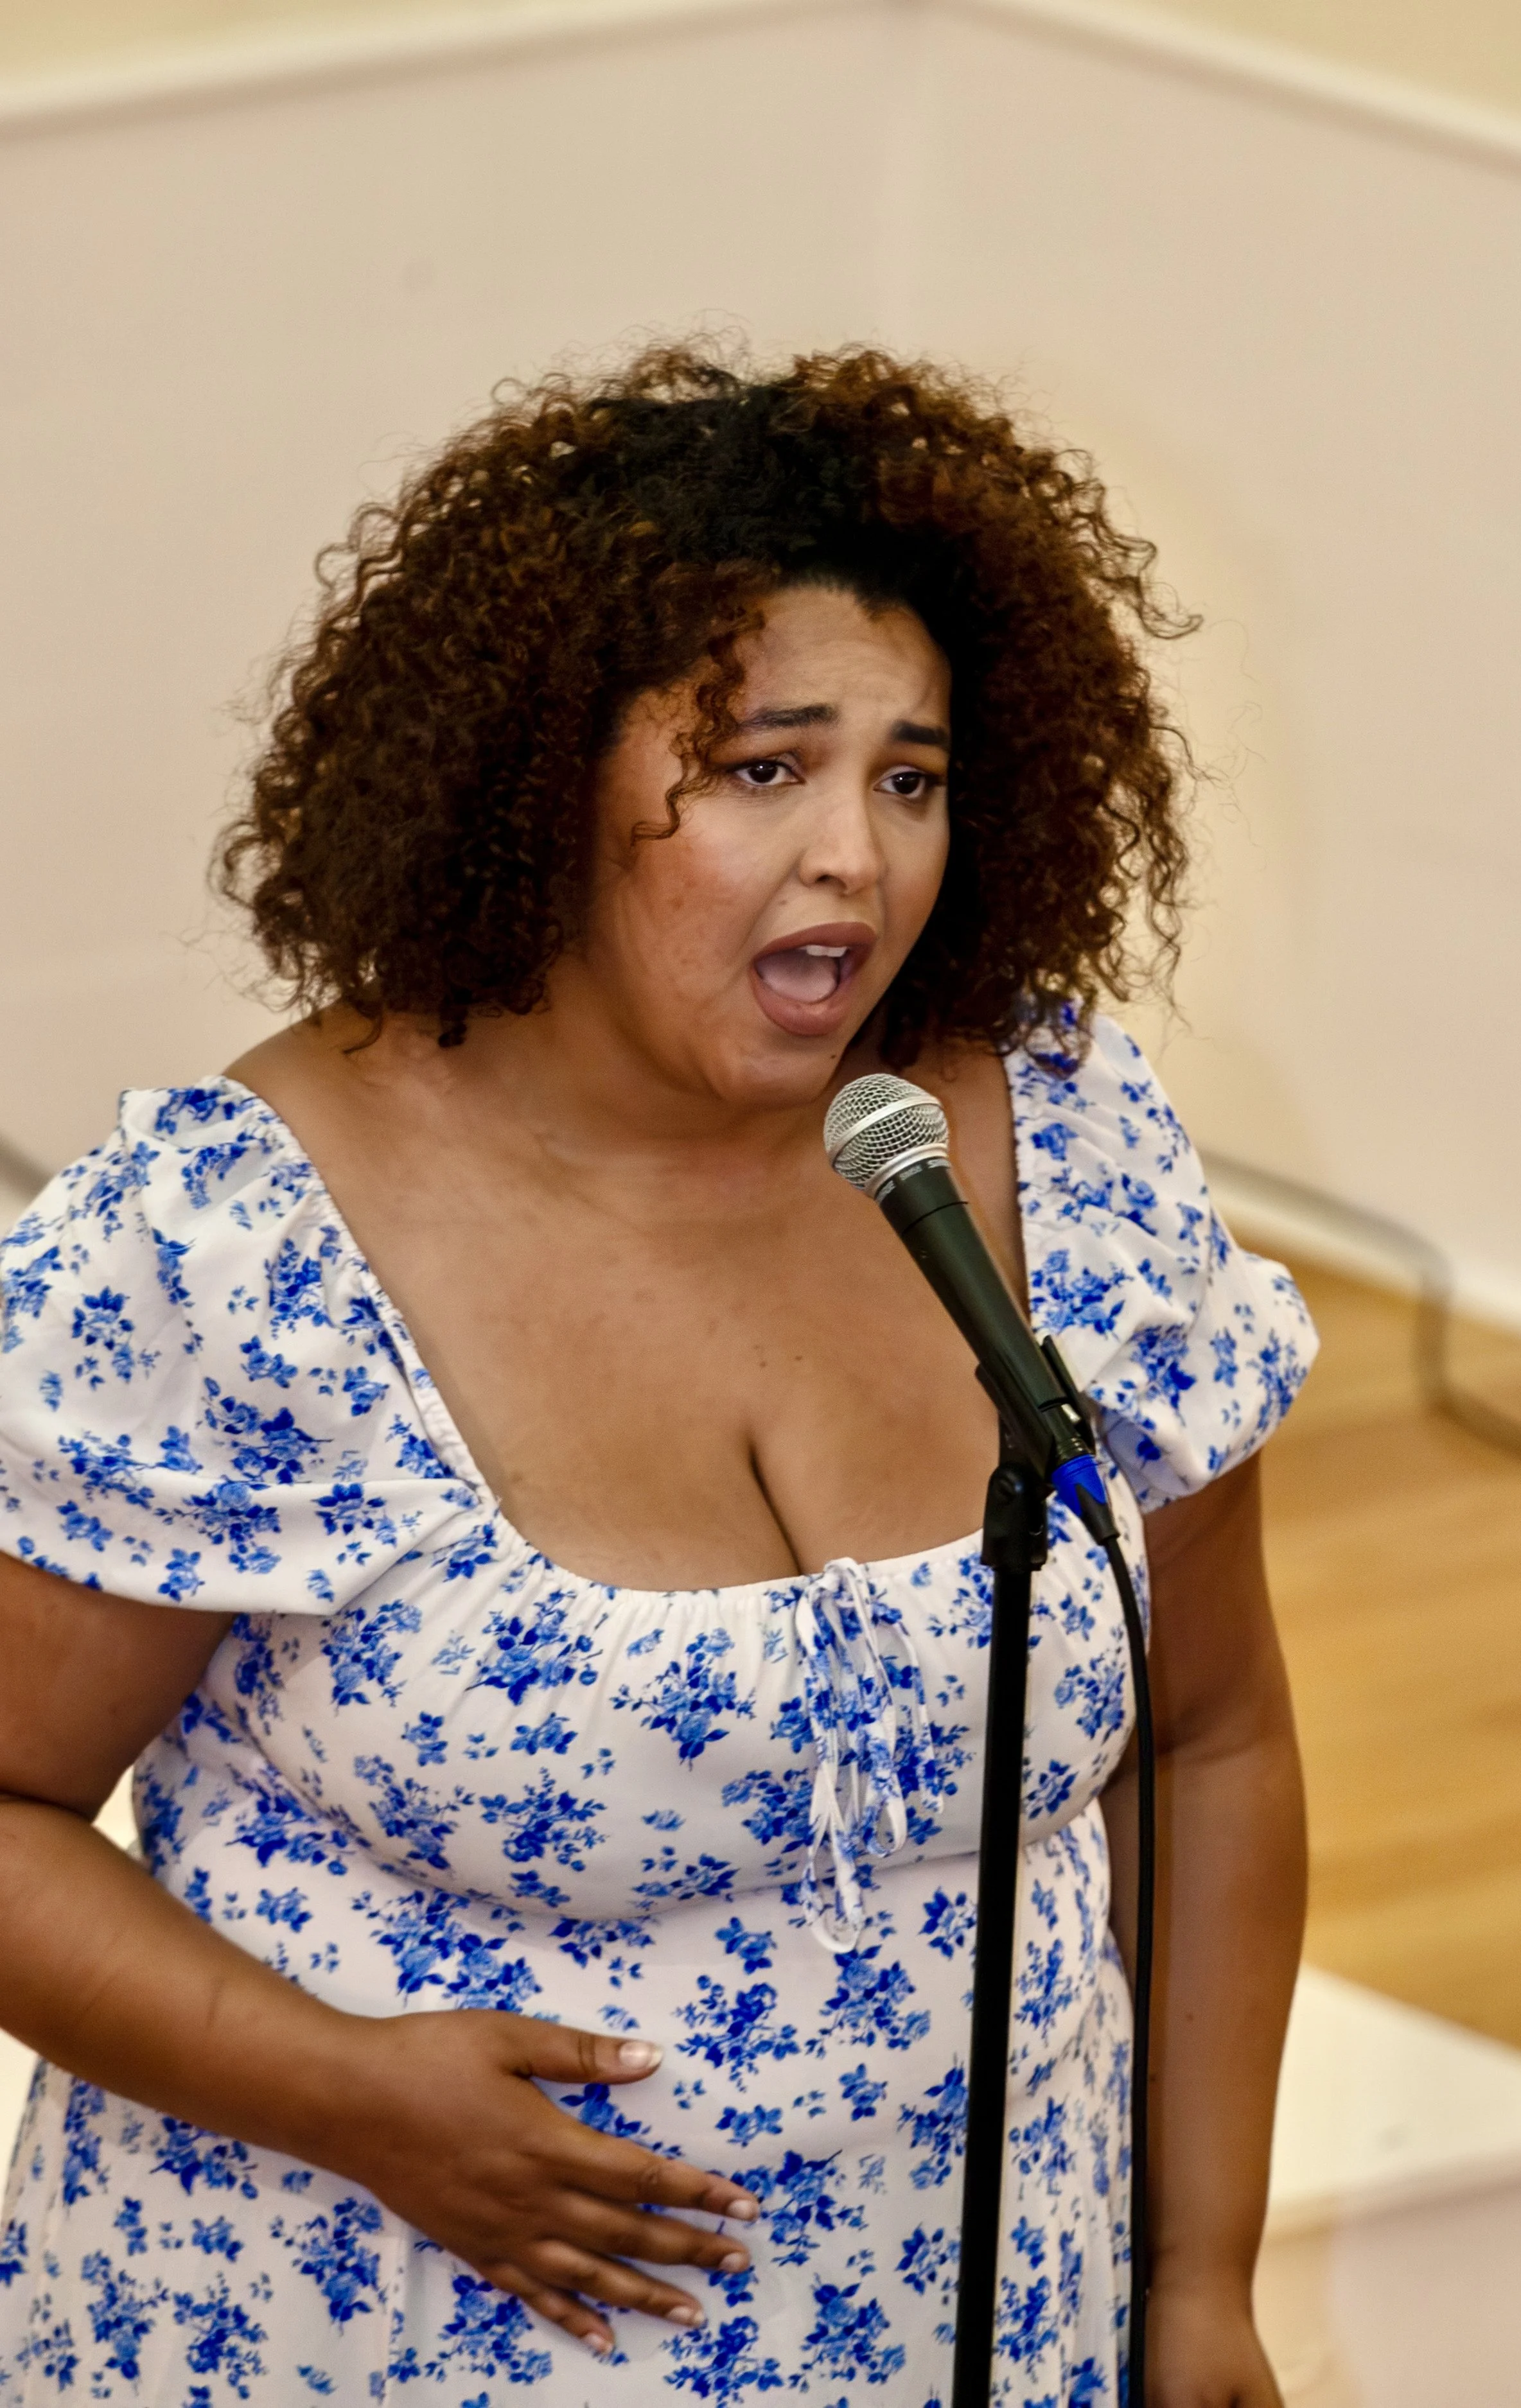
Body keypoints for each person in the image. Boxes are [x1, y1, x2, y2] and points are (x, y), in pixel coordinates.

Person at [0, 344, 1314, 2407]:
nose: (856, 863)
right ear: (546, 782)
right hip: (364, 2335)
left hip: (991, 2326)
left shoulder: (1054, 1145)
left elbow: (1210, 1734)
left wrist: (1195, 2269)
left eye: (908, 775)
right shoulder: (237, 1242)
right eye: (763, 767)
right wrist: (350, 2093)